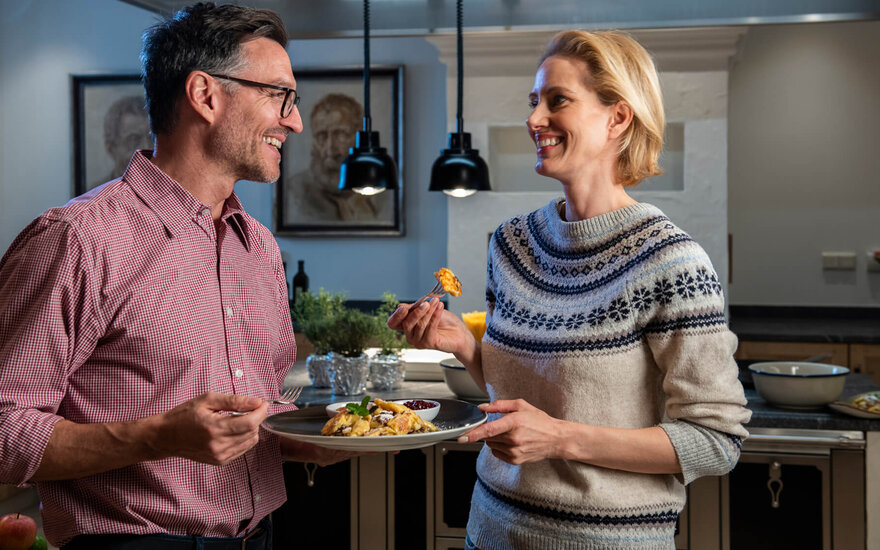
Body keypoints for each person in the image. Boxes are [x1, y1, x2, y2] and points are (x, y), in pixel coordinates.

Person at [0, 3, 356, 548]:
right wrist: (159, 437)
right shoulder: (77, 238)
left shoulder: (257, 246)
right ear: (205, 95)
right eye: (279, 96)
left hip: (259, 536)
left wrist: (314, 436)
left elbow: (249, 411)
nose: (294, 121)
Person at [389, 29, 750, 549]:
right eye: (534, 101)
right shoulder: (512, 245)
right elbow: (520, 398)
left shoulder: (670, 261)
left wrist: (561, 438)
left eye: (558, 101)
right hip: (491, 531)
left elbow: (717, 441)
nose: (535, 120)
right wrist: (465, 347)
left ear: (617, 117)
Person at [283, 93, 389, 223]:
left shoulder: (384, 194)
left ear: (360, 138)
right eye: (322, 136)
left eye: (341, 135)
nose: (330, 151)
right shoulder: (296, 192)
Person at [95, 95, 153, 189]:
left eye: (151, 138)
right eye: (134, 139)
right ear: (110, 148)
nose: (146, 147)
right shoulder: (95, 197)